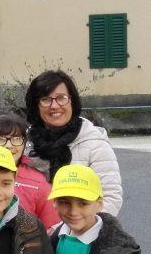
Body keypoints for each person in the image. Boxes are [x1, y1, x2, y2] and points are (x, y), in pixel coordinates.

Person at [25, 70, 122, 215]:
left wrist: (78, 232)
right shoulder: (24, 143)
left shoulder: (94, 143)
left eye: (61, 98)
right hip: (33, 232)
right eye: (45, 99)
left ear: (72, 101)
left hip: (79, 232)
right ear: (36, 106)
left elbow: (110, 198)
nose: (54, 106)